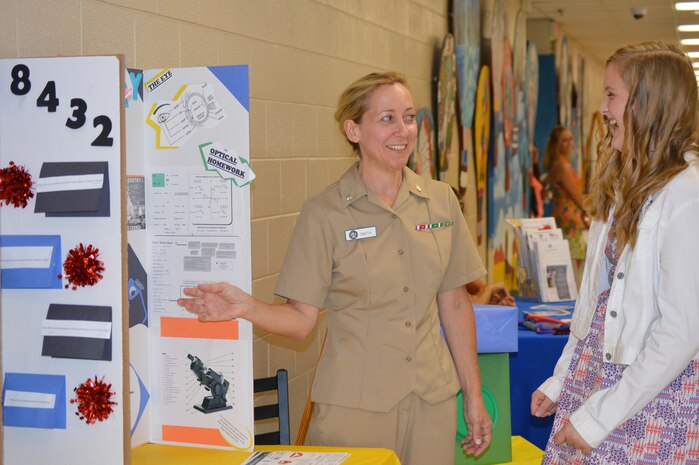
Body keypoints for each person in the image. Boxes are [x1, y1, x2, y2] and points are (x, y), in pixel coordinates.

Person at [178, 71, 492, 465]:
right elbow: (301, 319)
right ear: (353, 130)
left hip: (433, 399)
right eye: (387, 118)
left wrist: (473, 395)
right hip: (355, 408)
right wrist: (246, 307)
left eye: (409, 117)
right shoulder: (324, 213)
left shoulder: (441, 202)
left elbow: (456, 306)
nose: (403, 130)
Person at [531, 41, 699, 464]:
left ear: (649, 104)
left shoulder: (687, 196)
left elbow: (680, 333)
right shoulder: (624, 183)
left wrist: (598, 419)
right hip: (597, 380)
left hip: (651, 397)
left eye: (611, 95)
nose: (603, 108)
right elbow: (597, 304)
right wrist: (562, 378)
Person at [543, 126, 589, 281]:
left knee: (571, 268)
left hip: (566, 221)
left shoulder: (557, 165)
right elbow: (577, 196)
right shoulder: (562, 166)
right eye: (564, 140)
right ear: (556, 145)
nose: (570, 143)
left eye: (571, 139)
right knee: (572, 273)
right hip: (570, 224)